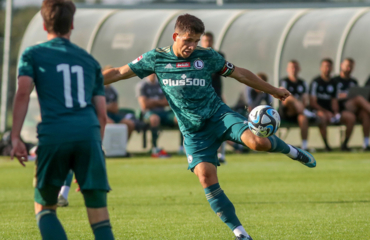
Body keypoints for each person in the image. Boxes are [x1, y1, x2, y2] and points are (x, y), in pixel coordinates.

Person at [103, 14, 316, 240]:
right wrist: (88, 80)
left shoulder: (207, 57)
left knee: (258, 142)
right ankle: (240, 233)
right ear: (175, 36)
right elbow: (118, 72)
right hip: (193, 132)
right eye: (187, 40)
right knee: (206, 177)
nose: (192, 46)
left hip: (218, 115)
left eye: (196, 41)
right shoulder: (155, 59)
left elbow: (240, 73)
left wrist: (271, 89)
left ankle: (293, 151)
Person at [11, 1, 114, 239]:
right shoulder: (89, 61)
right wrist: (95, 149)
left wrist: (15, 137)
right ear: (72, 24)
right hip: (88, 136)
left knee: (45, 209)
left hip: (54, 135)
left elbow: (23, 92)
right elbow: (102, 115)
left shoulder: (33, 54)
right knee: (100, 219)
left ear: (45, 23)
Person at [310, 58, 355, 151]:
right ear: (321, 68)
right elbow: (313, 103)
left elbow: (334, 100)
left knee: (351, 117)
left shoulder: (334, 83)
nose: (327, 69)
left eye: (329, 66)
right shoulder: (316, 82)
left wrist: (335, 112)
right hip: (319, 111)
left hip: (330, 112)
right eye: (325, 66)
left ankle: (345, 145)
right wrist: (325, 112)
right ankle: (327, 146)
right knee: (322, 117)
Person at [136, 73, 178, 157]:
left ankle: (181, 147)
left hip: (163, 112)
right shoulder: (142, 86)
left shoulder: (162, 84)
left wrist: (152, 101)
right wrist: (159, 101)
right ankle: (154, 147)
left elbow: (167, 102)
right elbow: (144, 104)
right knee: (154, 119)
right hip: (149, 113)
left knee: (179, 118)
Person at [201, 31, 227, 163]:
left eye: (209, 40)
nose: (207, 43)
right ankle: (207, 153)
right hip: (201, 96)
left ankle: (221, 154)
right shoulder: (196, 55)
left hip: (216, 96)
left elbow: (216, 71)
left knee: (220, 124)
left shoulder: (219, 55)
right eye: (205, 40)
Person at [333, 58, 370, 150]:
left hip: (354, 108)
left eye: (351, 67)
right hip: (342, 107)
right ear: (342, 65)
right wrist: (346, 95)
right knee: (358, 98)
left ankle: (366, 143)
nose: (349, 69)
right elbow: (332, 97)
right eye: (347, 66)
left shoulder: (354, 81)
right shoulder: (335, 80)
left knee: (365, 114)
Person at [280, 60, 316, 151]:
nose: (294, 69)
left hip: (299, 112)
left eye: (295, 67)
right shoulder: (284, 81)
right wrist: (297, 102)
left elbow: (305, 98)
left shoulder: (303, 83)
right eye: (291, 67)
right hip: (286, 112)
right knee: (288, 99)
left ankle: (304, 145)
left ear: (299, 69)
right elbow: (284, 100)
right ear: (287, 69)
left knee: (303, 118)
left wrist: (301, 105)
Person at [104, 65, 137, 139]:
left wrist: (107, 107)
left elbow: (115, 109)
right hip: (101, 114)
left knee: (129, 124)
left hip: (112, 115)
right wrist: (108, 107)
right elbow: (95, 106)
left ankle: (122, 148)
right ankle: (107, 149)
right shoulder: (97, 87)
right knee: (110, 124)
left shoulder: (114, 90)